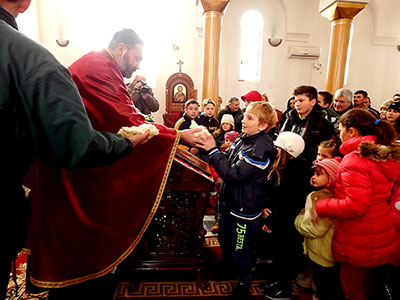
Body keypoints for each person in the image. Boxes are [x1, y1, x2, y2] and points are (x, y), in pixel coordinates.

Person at [24, 27, 201, 297]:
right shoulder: (99, 67)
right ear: (121, 49)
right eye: (137, 58)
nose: (137, 65)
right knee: (79, 251)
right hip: (73, 169)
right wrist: (178, 135)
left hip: (73, 164)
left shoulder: (100, 65)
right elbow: (127, 120)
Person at [0, 2, 157, 298]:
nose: (138, 65)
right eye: (136, 57)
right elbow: (90, 136)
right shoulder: (50, 61)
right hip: (69, 179)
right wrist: (157, 137)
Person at [311, 109, 400, 300]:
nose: (338, 134)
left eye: (341, 129)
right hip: (383, 231)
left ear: (351, 132)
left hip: (359, 237)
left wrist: (323, 206)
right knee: (375, 289)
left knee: (354, 293)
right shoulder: (385, 153)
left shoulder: (355, 159)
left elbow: (356, 206)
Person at [197, 102, 278, 299]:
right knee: (225, 239)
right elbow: (230, 158)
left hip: (245, 208)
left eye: (250, 118)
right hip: (232, 203)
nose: (243, 120)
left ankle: (243, 282)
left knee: (240, 247)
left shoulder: (259, 150)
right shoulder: (246, 138)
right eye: (245, 115)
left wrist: (212, 150)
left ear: (263, 126)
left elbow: (233, 174)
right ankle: (229, 268)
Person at [260, 131, 309, 300]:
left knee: (285, 255)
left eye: (277, 147)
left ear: (286, 151)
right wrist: (265, 206)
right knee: (277, 254)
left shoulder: (296, 172)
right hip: (276, 216)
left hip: (285, 222)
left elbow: (288, 203)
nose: (274, 149)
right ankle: (276, 281)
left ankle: (284, 288)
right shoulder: (281, 166)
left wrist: (272, 221)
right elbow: (272, 191)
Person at [295, 158, 344, 300]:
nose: (313, 177)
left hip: (323, 254)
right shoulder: (325, 195)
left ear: (332, 177)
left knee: (324, 286)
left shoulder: (323, 199)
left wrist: (298, 221)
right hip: (321, 252)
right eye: (314, 173)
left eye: (319, 174)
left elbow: (315, 230)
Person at [281, 85, 335, 167]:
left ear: (313, 102)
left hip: (308, 165)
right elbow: (282, 136)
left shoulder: (323, 124)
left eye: (301, 101)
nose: (297, 104)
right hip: (287, 162)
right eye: (296, 101)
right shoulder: (290, 116)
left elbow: (327, 149)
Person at [210, 130, 240, 234]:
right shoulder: (222, 151)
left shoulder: (238, 152)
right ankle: (218, 221)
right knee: (220, 203)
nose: (227, 143)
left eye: (230, 141)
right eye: (226, 140)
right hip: (221, 183)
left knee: (227, 204)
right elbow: (217, 165)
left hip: (229, 182)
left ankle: (226, 223)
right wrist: (217, 176)